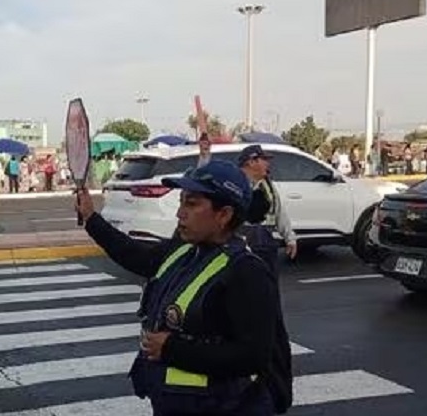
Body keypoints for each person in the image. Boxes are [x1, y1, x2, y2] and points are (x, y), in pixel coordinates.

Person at [75, 159, 292, 416]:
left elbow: (252, 356)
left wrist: (170, 348)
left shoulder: (246, 272)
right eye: (181, 202)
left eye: (192, 204)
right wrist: (91, 219)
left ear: (224, 215)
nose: (180, 213)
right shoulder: (185, 250)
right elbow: (138, 257)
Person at [238, 145, 297, 275]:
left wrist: (290, 238)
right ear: (251, 162)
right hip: (243, 242)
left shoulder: (267, 185)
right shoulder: (234, 184)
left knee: (268, 284)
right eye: (264, 159)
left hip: (266, 241)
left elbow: (279, 212)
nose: (268, 164)